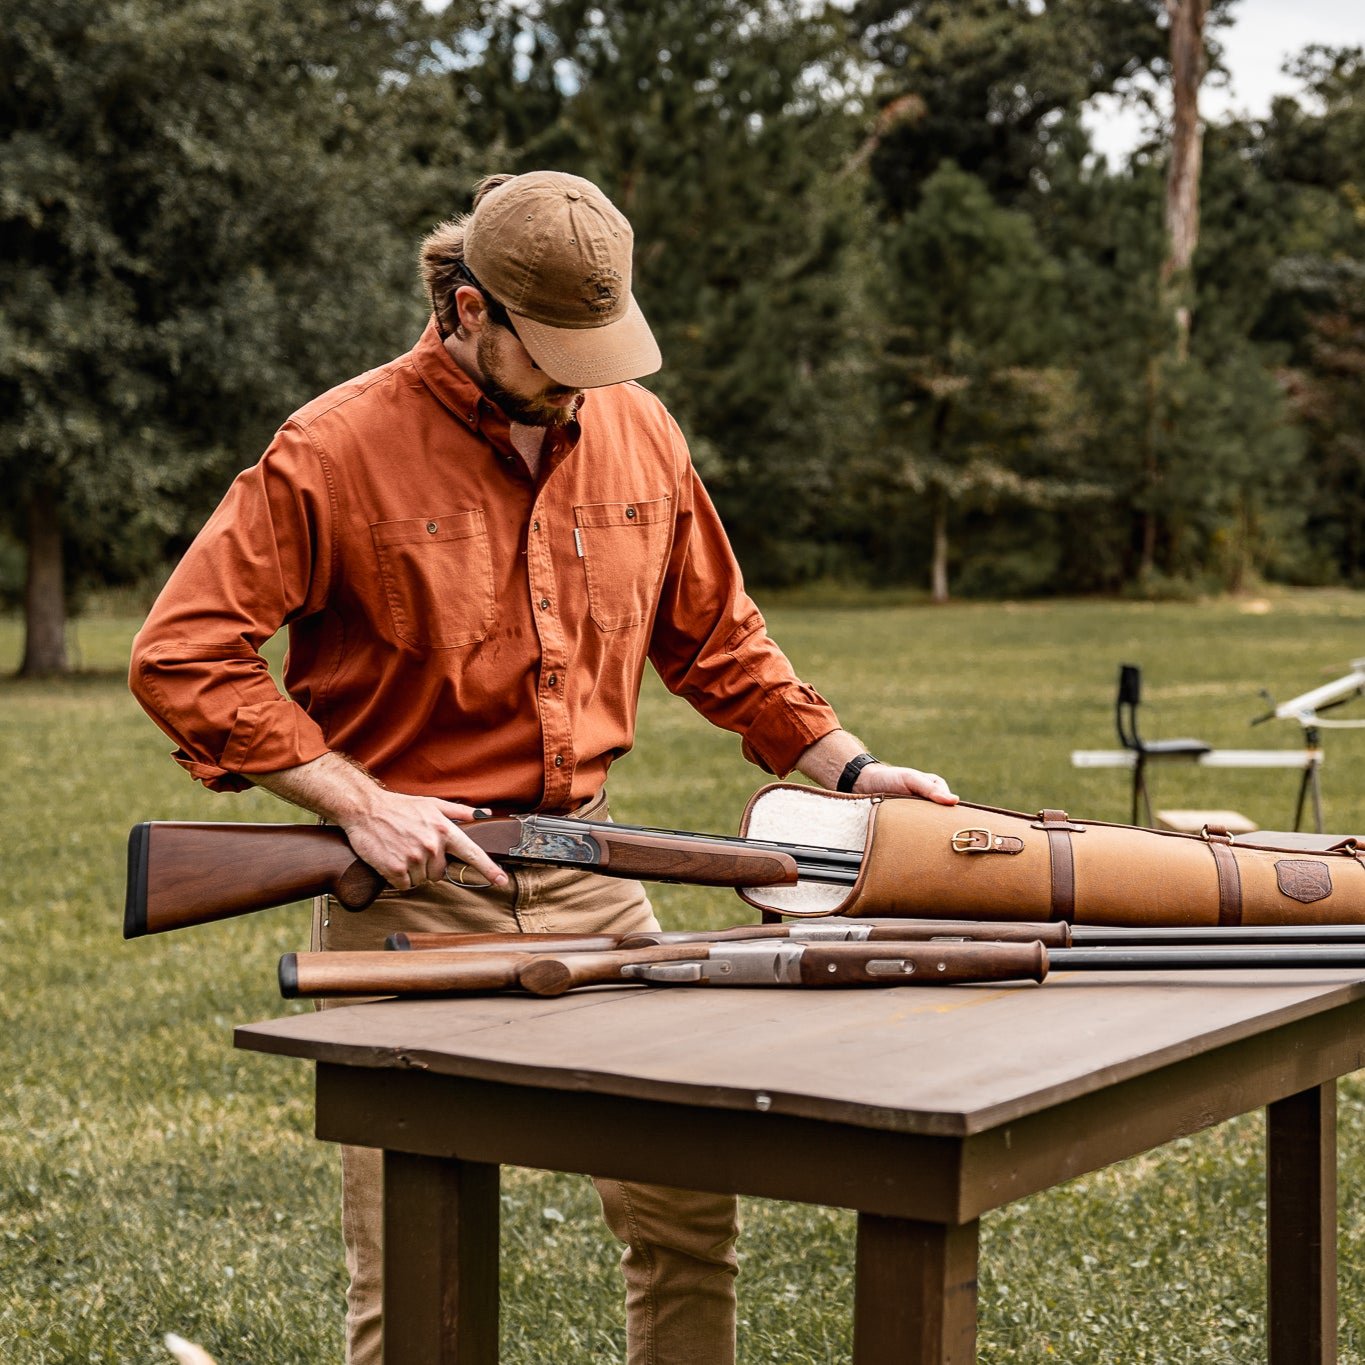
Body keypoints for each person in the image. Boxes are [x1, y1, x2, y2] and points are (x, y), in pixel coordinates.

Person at [129, 169, 958, 1365]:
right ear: (470, 312)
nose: (586, 380)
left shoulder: (640, 429)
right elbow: (182, 654)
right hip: (411, 900)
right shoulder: (333, 448)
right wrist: (356, 801)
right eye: (557, 351)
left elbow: (717, 641)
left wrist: (846, 768)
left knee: (687, 1212)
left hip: (596, 876)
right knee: (417, 1264)